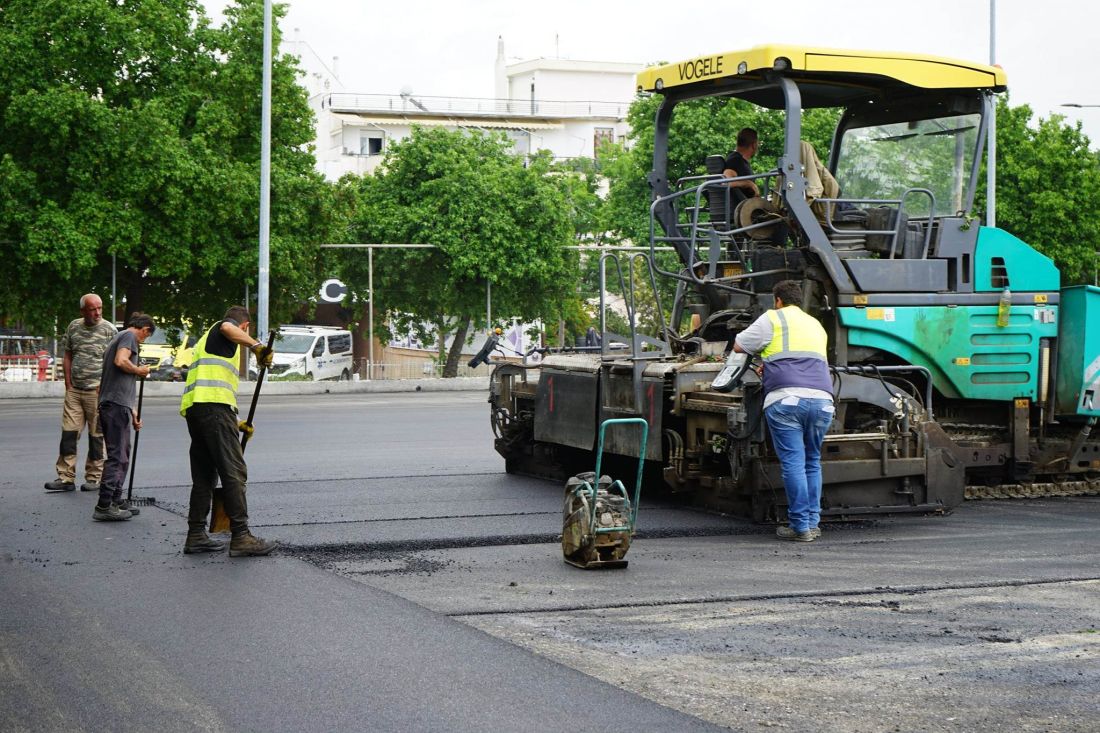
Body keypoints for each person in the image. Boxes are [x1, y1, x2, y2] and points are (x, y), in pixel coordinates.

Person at [734, 280, 834, 542]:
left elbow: (739, 345)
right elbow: (803, 360)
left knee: (793, 464)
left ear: (777, 300)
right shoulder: (816, 324)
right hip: (823, 400)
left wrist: (762, 360)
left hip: (787, 400)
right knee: (812, 461)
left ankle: (800, 526)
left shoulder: (773, 318)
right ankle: (813, 523)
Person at [179, 305, 276, 556]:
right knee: (234, 472)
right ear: (245, 326)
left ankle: (196, 534)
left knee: (204, 476)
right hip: (214, 410)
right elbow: (227, 327)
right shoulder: (224, 328)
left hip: (197, 411)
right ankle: (241, 537)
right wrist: (256, 346)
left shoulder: (205, 340)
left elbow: (209, 390)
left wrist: (235, 423)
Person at [46, 294, 118, 493]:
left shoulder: (109, 330)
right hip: (75, 392)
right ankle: (65, 478)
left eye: (100, 308)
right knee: (69, 434)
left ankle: (94, 478)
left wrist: (104, 386)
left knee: (97, 436)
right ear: (82, 311)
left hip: (97, 393)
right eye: (92, 309)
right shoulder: (74, 327)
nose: (97, 313)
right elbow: (68, 354)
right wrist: (68, 383)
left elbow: (115, 362)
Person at [94, 313, 155, 521]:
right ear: (145, 329)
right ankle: (104, 504)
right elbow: (122, 361)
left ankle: (115, 499)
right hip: (115, 405)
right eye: (146, 337)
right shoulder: (129, 337)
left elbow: (118, 382)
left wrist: (133, 411)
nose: (143, 340)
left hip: (118, 405)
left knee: (122, 454)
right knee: (117, 455)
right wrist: (139, 370)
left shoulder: (117, 338)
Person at [723, 127, 761, 200]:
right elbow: (725, 183)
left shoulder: (739, 160)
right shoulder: (735, 160)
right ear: (754, 145)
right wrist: (749, 183)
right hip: (744, 209)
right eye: (758, 143)